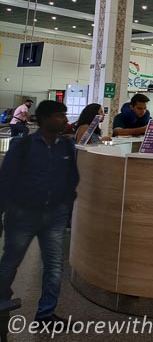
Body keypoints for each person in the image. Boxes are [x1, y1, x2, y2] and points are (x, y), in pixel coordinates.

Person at [0, 100, 79, 327]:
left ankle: (46, 316)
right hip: (22, 215)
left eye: (65, 115)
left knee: (54, 266)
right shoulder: (22, 145)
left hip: (54, 216)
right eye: (59, 116)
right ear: (44, 119)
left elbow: (72, 179)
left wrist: (65, 206)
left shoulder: (66, 146)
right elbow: (5, 180)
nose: (65, 120)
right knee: (10, 263)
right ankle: (1, 304)